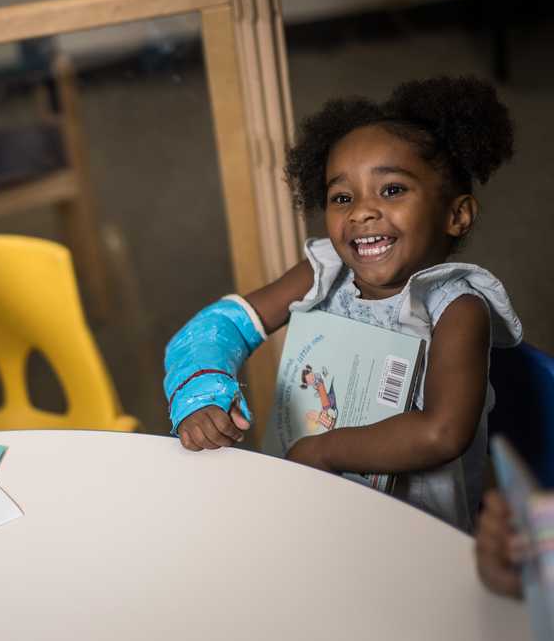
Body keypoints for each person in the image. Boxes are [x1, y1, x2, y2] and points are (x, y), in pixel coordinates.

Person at [163, 76, 522, 531]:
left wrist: (323, 451)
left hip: (414, 539)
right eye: (341, 197)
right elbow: (221, 327)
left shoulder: (456, 307)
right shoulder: (325, 269)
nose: (361, 212)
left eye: (391, 190)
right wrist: (201, 396)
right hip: (314, 509)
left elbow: (442, 431)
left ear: (456, 215)